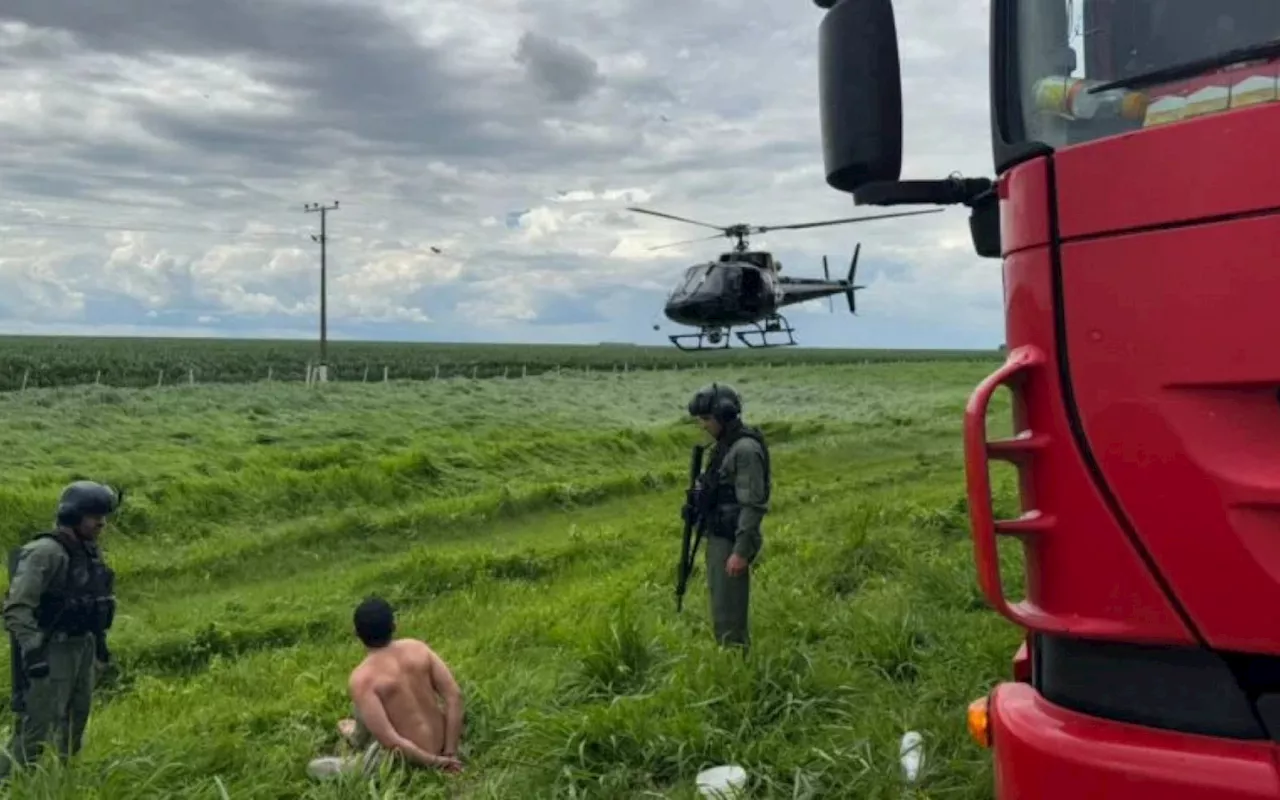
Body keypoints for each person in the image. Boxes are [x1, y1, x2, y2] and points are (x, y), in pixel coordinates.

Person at [0, 480, 119, 779]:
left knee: (76, 721)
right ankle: (7, 785)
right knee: (36, 729)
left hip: (82, 647)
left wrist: (99, 649)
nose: (101, 523)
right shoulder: (45, 552)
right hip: (52, 649)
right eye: (94, 516)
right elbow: (16, 608)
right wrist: (34, 650)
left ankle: (62, 782)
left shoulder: (88, 552)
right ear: (73, 515)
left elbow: (94, 601)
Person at [309, 597, 465, 779]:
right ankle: (356, 734)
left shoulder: (362, 678)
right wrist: (450, 752)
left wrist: (435, 762)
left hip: (405, 760)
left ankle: (356, 737)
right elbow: (454, 696)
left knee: (314, 768)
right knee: (364, 704)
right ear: (394, 626)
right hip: (442, 743)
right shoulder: (418, 648)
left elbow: (391, 741)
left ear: (356, 634)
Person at [687, 383, 771, 650]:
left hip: (731, 539)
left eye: (706, 419)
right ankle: (730, 659)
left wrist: (741, 551)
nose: (703, 425)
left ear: (724, 415)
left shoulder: (744, 450)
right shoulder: (725, 446)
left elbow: (753, 504)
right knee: (720, 605)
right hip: (719, 534)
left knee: (729, 615)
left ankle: (737, 669)